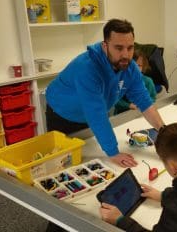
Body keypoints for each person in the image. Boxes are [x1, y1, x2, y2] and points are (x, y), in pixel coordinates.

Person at [45, 19, 165, 168]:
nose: (125, 55)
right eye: (118, 48)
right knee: (65, 164)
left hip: (89, 116)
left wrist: (164, 131)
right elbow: (96, 114)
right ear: (105, 46)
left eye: (130, 48)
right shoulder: (87, 68)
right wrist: (113, 152)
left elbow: (144, 101)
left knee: (89, 153)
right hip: (63, 114)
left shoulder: (130, 68)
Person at [114, 50, 157, 115]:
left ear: (143, 67)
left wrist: (144, 103)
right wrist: (128, 105)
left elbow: (153, 98)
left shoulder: (148, 81)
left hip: (141, 114)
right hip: (122, 115)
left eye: (139, 65)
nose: (135, 68)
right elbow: (115, 101)